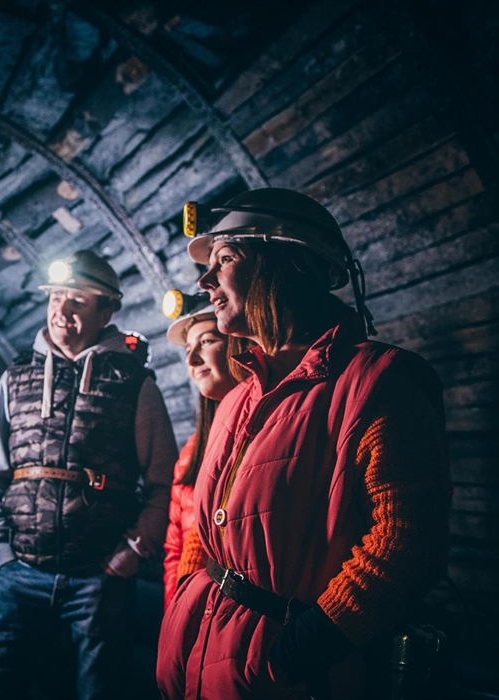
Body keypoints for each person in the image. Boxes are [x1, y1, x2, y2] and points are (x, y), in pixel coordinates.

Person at [156, 189, 451, 699]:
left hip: (281, 677)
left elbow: (405, 542)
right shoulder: (235, 401)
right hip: (197, 661)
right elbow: (203, 535)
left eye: (225, 259)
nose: (205, 281)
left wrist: (298, 650)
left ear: (285, 264)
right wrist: (180, 618)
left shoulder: (379, 383)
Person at [0, 250, 178, 700]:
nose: (62, 312)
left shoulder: (135, 384)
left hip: (98, 579)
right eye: (56, 298)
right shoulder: (15, 377)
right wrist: (2, 551)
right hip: (21, 573)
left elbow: (164, 482)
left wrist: (132, 553)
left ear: (106, 312)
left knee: (100, 692)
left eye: (77, 301)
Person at [161, 297, 239, 611]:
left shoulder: (266, 434)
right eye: (187, 349)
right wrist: (175, 610)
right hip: (191, 608)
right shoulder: (192, 450)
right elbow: (175, 546)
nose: (192, 359)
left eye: (206, 341)